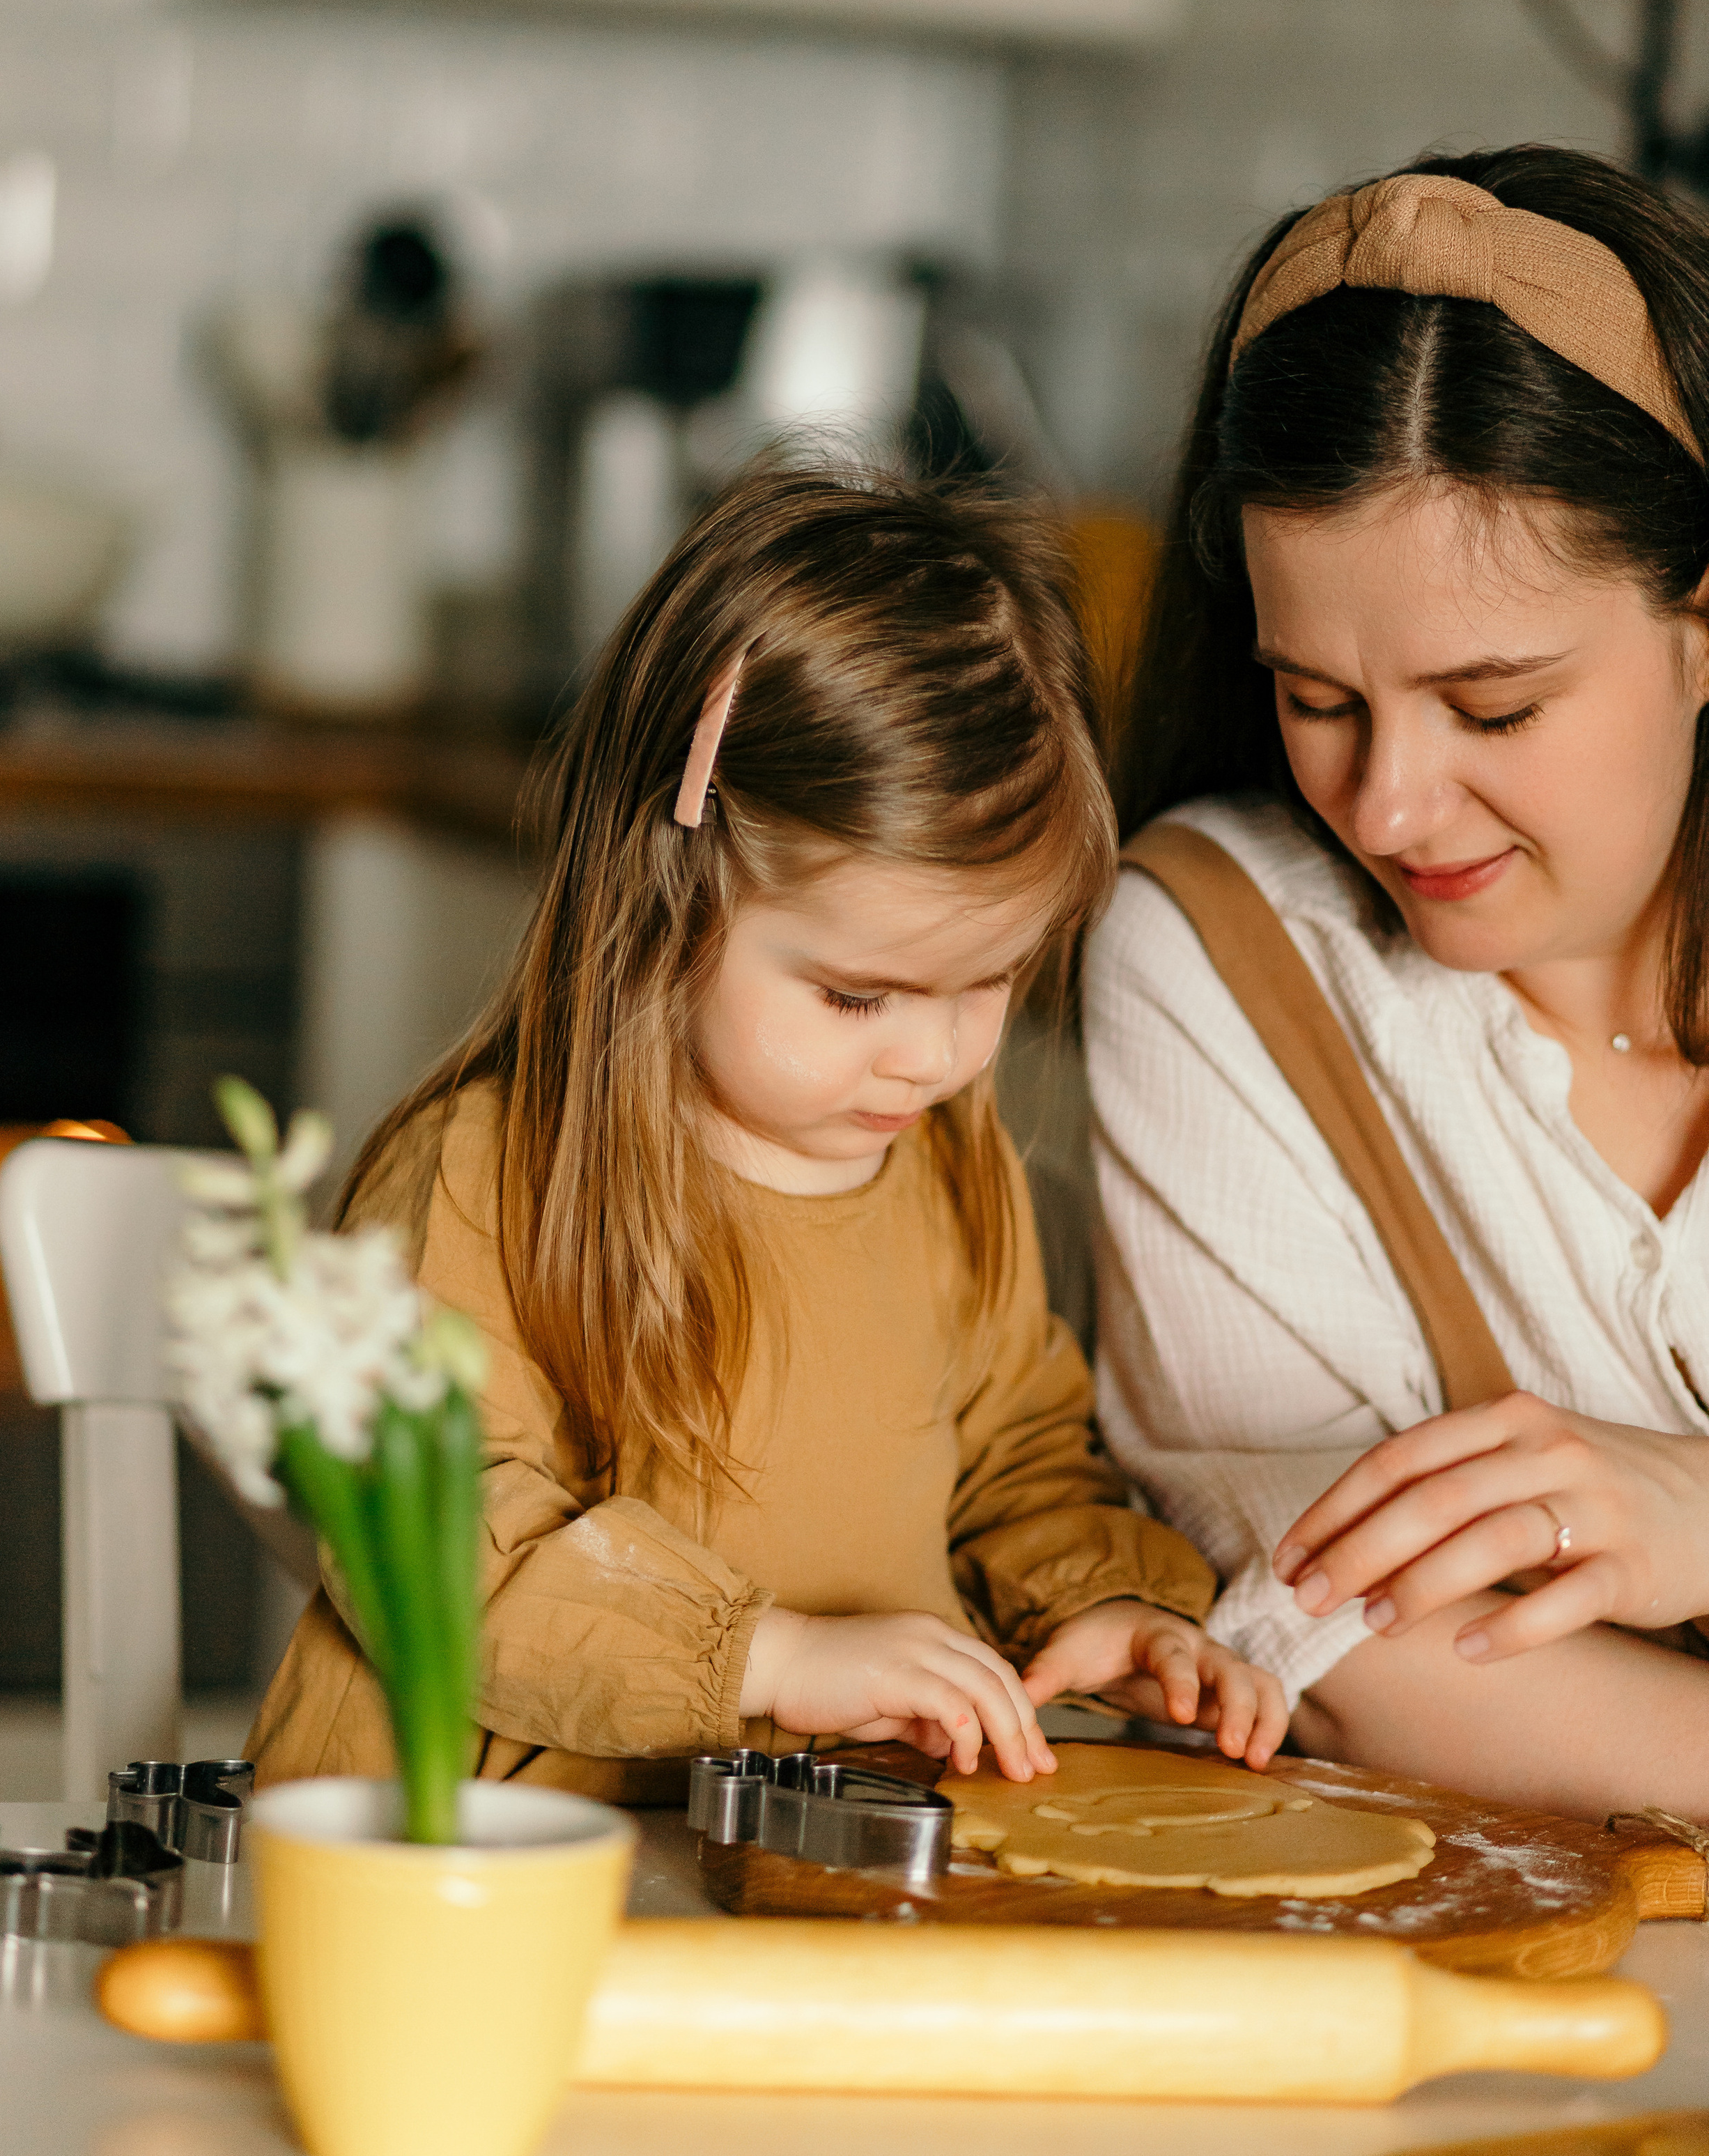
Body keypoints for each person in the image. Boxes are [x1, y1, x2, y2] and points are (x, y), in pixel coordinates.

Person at [249, 459, 1285, 1798]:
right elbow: (437, 1540)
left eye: (989, 982)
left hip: (807, 1863)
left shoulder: (953, 1172)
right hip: (493, 1877)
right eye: (858, 993)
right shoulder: (482, 1178)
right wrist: (772, 1661)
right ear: (668, 895)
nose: (933, 1054)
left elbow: (1018, 1460)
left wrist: (1106, 1610)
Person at [1089, 145, 1709, 1819]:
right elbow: (1346, 1651)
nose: (1385, 807)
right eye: (1316, 698)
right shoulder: (1219, 952)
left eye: (1491, 707)